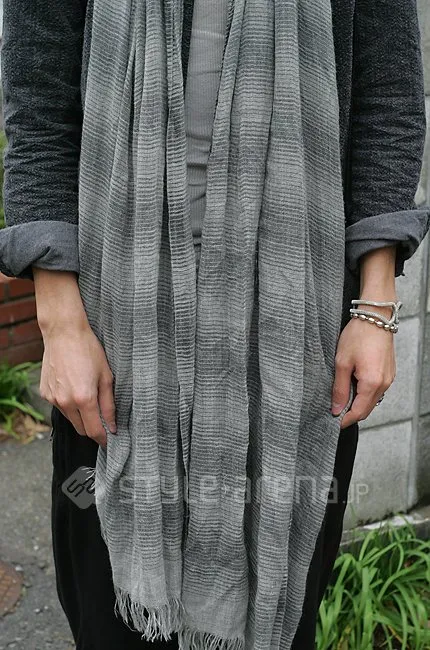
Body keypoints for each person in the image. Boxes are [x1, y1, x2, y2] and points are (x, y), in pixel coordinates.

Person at [0, 1, 429, 649]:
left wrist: (375, 305)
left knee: (277, 595)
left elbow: (388, 95)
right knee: (112, 616)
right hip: (117, 335)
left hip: (294, 332)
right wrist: (60, 323)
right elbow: (38, 106)